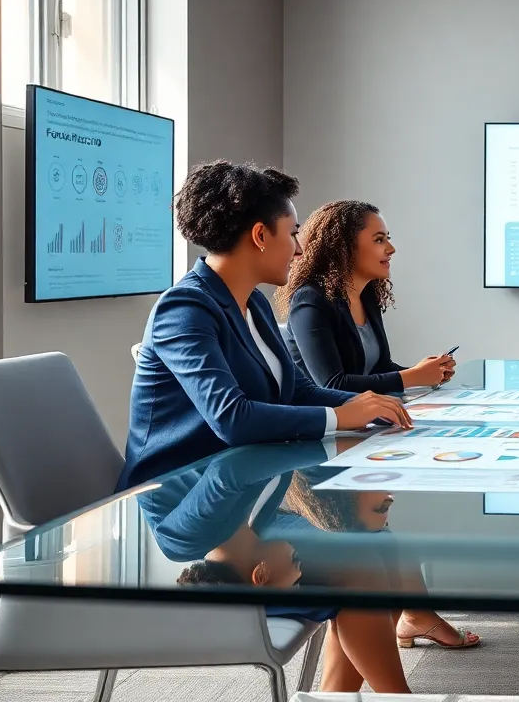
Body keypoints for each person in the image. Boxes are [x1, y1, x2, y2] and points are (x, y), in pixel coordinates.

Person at [119, 161, 412, 491]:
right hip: (173, 496)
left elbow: (299, 391)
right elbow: (232, 418)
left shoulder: (255, 303)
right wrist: (342, 417)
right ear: (260, 235)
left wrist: (365, 405)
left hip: (239, 482)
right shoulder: (184, 308)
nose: (300, 249)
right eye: (292, 234)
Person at [142, 442, 413, 694]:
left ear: (262, 574)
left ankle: (376, 697)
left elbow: (231, 468)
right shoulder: (239, 525)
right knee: (362, 563)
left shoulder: (185, 536)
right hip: (235, 490)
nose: (300, 573)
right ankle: (394, 696)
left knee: (371, 551)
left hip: (214, 466)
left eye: (296, 578)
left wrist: (327, 444)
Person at [278, 466, 481, 650]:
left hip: (288, 497)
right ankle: (415, 620)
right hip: (266, 535)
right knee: (368, 560)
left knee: (381, 548)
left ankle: (416, 616)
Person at [280, 200, 455, 394]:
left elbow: (381, 369)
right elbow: (333, 385)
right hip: (329, 419)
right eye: (379, 240)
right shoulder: (310, 300)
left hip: (364, 415)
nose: (391, 249)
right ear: (343, 246)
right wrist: (414, 376)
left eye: (387, 238)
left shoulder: (367, 296)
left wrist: (426, 373)